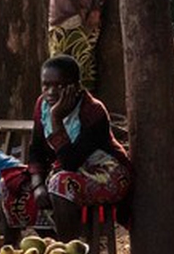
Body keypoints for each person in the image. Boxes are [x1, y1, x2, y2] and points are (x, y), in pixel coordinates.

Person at [16, 54, 132, 238]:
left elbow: (70, 161)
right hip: (64, 170)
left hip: (105, 171)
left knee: (59, 184)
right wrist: (37, 185)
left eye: (59, 86)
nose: (51, 92)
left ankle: (69, 248)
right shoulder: (42, 105)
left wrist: (56, 118)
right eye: (46, 85)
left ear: (75, 87)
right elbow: (36, 149)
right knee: (11, 184)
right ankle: (49, 243)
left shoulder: (93, 111)